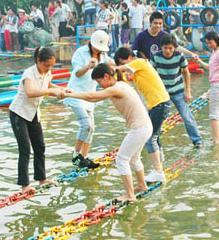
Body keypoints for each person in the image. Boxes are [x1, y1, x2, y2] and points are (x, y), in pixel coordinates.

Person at [64, 63, 153, 202]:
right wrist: (73, 94)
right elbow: (95, 97)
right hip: (145, 126)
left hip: (140, 128)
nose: (100, 85)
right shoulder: (120, 86)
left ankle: (130, 195)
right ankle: (142, 185)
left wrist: (71, 94)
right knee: (134, 158)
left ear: (106, 76)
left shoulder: (116, 88)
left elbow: (90, 95)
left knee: (122, 159)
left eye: (99, 81)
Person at [9, 47, 69, 193]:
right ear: (38, 61)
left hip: (34, 113)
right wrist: (51, 91)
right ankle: (24, 185)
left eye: (51, 66)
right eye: (46, 65)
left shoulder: (47, 73)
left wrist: (62, 89)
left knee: (40, 147)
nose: (49, 68)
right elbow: (30, 92)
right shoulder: (29, 74)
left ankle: (41, 178)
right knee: (25, 149)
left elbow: (48, 85)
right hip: (19, 113)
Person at [114, 47, 170, 183]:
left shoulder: (139, 62)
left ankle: (158, 172)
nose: (123, 66)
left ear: (129, 58)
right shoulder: (138, 67)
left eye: (123, 62)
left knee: (151, 137)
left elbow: (118, 70)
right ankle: (159, 168)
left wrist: (104, 65)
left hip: (160, 104)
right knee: (155, 137)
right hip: (158, 104)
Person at [64, 30, 111, 169]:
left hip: (90, 95)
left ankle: (84, 158)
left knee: (92, 128)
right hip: (76, 93)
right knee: (86, 125)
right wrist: (88, 66)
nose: (98, 50)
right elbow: (77, 74)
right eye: (97, 47)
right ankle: (76, 155)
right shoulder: (81, 52)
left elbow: (109, 65)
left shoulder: (103, 55)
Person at [152, 34, 203, 147]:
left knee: (186, 116)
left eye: (170, 48)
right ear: (161, 47)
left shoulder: (179, 56)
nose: (168, 51)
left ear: (175, 47)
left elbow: (186, 72)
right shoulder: (156, 56)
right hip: (162, 92)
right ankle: (154, 141)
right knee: (158, 117)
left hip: (178, 90)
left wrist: (188, 90)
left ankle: (197, 140)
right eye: (165, 48)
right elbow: (152, 74)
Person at [196, 32, 219, 144]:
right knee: (218, 113)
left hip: (218, 84)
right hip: (215, 84)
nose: (209, 45)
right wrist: (199, 61)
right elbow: (210, 68)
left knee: (214, 115)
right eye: (207, 43)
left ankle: (215, 140)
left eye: (210, 42)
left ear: (216, 40)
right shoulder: (214, 53)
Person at [132, 11, 197, 60]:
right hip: (146, 65)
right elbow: (134, 52)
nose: (158, 26)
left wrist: (191, 54)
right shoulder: (141, 36)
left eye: (160, 23)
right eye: (155, 23)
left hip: (160, 64)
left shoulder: (164, 35)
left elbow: (176, 47)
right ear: (150, 23)